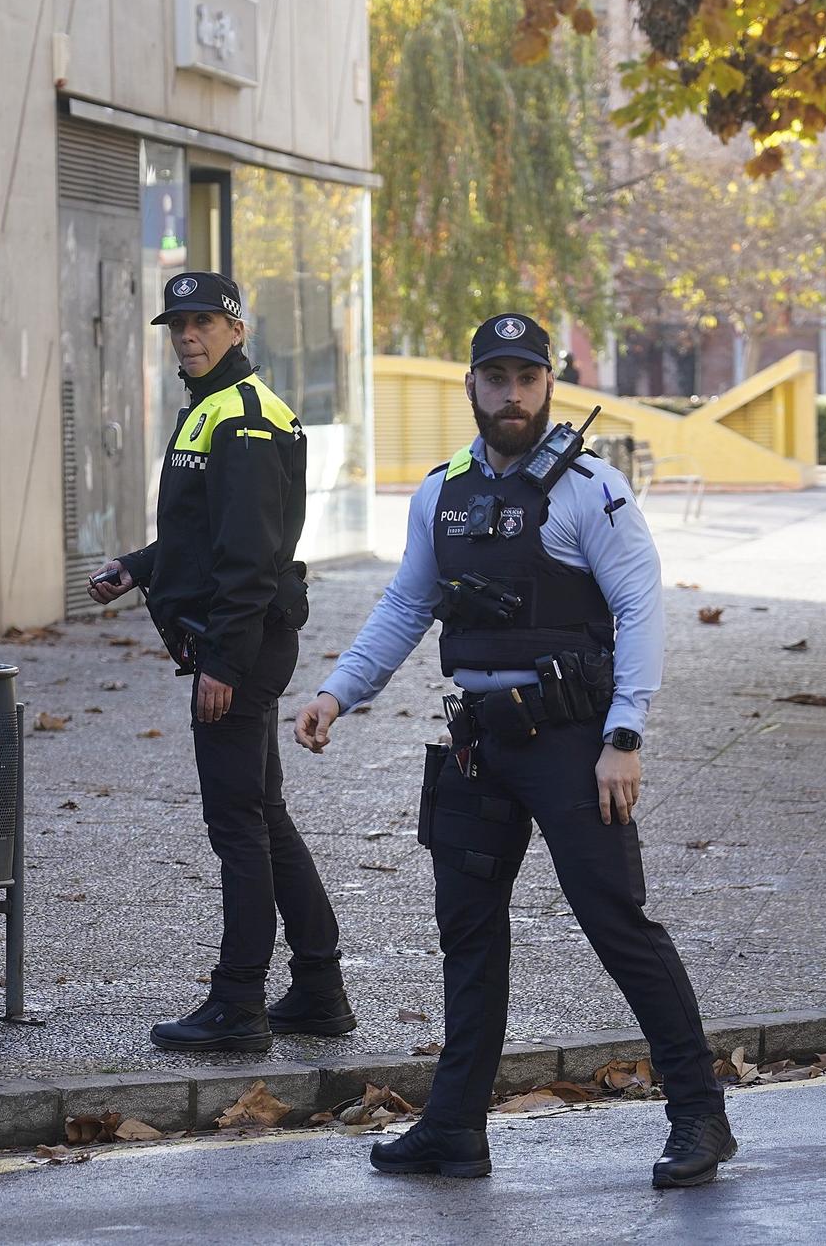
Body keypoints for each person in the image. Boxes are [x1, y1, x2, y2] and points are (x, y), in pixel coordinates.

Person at [291, 311, 732, 1187]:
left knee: (619, 926)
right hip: (479, 743)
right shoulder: (441, 491)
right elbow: (407, 606)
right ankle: (455, 1129)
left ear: (548, 387)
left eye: (527, 378)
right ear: (473, 388)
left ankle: (700, 1116)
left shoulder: (591, 488)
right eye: (497, 378)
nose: (513, 394)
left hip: (575, 744)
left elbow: (642, 609)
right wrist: (338, 690)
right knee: (469, 936)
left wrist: (625, 734)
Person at [87, 271, 347, 1053]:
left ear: (237, 329)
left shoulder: (244, 418)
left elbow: (250, 557)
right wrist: (138, 565)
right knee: (261, 812)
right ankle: (319, 988)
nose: (188, 337)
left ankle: (239, 1003)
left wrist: (224, 664)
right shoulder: (215, 409)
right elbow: (204, 536)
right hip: (240, 638)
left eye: (203, 324)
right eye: (178, 326)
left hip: (242, 644)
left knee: (236, 823)